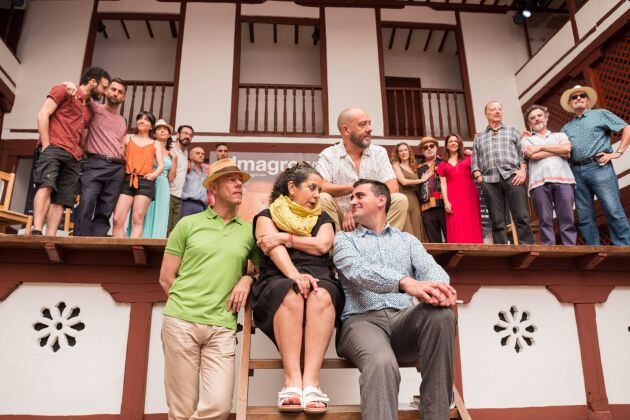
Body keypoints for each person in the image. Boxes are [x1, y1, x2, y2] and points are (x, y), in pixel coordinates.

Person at [333, 179, 456, 420]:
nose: (353, 201)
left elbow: (433, 272)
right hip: (361, 322)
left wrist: (441, 289)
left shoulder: (408, 241)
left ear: (381, 200)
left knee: (442, 314)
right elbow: (358, 271)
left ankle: (436, 414)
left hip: (403, 323)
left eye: (359, 196)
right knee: (381, 363)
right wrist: (405, 282)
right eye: (352, 198)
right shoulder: (344, 240)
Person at [159, 158, 259, 420]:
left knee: (219, 407)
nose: (239, 184)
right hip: (181, 322)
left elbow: (261, 272)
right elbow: (166, 277)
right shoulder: (188, 225)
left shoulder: (250, 232)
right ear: (213, 187)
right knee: (182, 408)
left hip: (222, 327)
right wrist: (186, 309)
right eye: (231, 179)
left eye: (241, 180)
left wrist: (247, 279)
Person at [251, 162, 343, 414]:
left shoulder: (323, 218)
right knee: (290, 291)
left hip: (320, 275)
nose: (317, 195)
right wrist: (295, 275)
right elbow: (274, 250)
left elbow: (322, 246)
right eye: (312, 188)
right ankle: (291, 381)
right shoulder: (266, 216)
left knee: (321, 292)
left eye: (319, 189)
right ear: (292, 187)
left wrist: (286, 237)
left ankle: (312, 381)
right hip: (278, 276)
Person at [31, 66, 110, 236]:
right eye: (104, 87)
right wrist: (46, 145)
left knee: (62, 199)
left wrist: (81, 152)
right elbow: (42, 114)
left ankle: (51, 236)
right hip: (54, 147)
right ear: (93, 82)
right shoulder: (64, 90)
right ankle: (37, 231)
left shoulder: (89, 108)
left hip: (74, 156)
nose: (105, 92)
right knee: (46, 186)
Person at [315, 108, 408, 232]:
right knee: (322, 198)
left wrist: (356, 208)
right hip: (341, 221)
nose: (370, 129)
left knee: (399, 199)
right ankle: (338, 247)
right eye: (363, 124)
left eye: (369, 123)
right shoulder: (328, 155)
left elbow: (392, 187)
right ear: (346, 129)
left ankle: (382, 245)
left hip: (372, 217)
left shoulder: (379, 152)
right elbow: (320, 187)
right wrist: (356, 188)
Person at [560, 85, 630, 245]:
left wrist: (617, 153)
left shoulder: (600, 114)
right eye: (574, 97)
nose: (578, 98)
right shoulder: (566, 128)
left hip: (599, 167)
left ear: (588, 100)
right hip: (576, 171)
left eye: (582, 95)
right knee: (584, 215)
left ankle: (624, 247)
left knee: (613, 209)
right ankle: (594, 249)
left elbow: (627, 128)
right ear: (570, 103)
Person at [471, 101, 535, 244]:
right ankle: (501, 249)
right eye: (493, 109)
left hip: (513, 176)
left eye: (500, 109)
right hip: (488, 179)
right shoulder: (479, 137)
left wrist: (522, 171)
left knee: (521, 215)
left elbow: (521, 154)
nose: (497, 111)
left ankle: (528, 247)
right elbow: (475, 160)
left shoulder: (513, 131)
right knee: (497, 219)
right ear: (486, 114)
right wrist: (479, 177)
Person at [73, 78, 127, 237]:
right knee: (86, 202)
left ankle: (97, 242)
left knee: (106, 209)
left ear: (123, 98)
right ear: (106, 91)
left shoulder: (122, 120)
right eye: (113, 89)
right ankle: (80, 242)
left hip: (117, 168)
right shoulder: (94, 108)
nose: (115, 93)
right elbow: (81, 93)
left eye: (120, 92)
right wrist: (69, 85)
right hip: (95, 163)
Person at [521, 105, 576, 245]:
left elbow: (566, 149)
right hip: (538, 183)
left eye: (539, 116)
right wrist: (558, 151)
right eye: (532, 118)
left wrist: (540, 147)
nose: (536, 119)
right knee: (544, 221)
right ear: (529, 123)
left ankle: (570, 249)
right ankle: (549, 249)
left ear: (546, 118)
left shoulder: (560, 135)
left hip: (564, 180)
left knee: (567, 218)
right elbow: (531, 155)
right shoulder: (526, 140)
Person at [112, 112, 163, 238]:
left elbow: (160, 166)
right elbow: (120, 156)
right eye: (139, 119)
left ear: (151, 126)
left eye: (146, 120)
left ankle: (132, 252)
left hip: (145, 182)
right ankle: (119, 251)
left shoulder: (155, 143)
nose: (141, 121)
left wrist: (154, 174)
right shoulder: (128, 138)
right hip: (127, 179)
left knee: (137, 219)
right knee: (117, 219)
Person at [437, 134, 483, 243]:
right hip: (452, 195)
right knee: (456, 222)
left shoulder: (468, 158)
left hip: (469, 193)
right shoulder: (442, 164)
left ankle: (476, 248)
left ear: (459, 144)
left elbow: (482, 164)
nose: (453, 143)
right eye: (450, 142)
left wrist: (473, 154)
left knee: (471, 220)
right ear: (447, 145)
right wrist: (446, 201)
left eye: (455, 141)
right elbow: (443, 184)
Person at [140, 119, 177, 238]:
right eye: (159, 128)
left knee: (160, 214)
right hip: (148, 181)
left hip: (163, 184)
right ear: (154, 133)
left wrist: (175, 159)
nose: (162, 130)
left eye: (165, 129)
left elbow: (171, 178)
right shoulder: (148, 147)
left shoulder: (172, 153)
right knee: (144, 212)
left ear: (169, 134)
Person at [390, 142, 424, 241]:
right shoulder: (396, 165)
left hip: (415, 201)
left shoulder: (414, 168)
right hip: (403, 199)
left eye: (405, 150)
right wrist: (421, 180)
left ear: (409, 151)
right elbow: (403, 182)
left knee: (417, 230)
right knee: (407, 232)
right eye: (401, 151)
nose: (403, 152)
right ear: (398, 154)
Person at [417, 137, 447, 243]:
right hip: (427, 209)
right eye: (425, 147)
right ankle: (437, 260)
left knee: (451, 238)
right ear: (422, 151)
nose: (429, 149)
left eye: (431, 146)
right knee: (434, 241)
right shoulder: (417, 168)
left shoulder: (444, 162)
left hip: (444, 205)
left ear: (436, 147)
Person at [167, 125, 194, 233]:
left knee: (174, 231)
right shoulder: (169, 148)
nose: (187, 136)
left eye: (190, 135)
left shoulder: (186, 153)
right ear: (178, 135)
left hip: (179, 196)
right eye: (185, 133)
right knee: (165, 227)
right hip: (167, 193)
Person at [181, 147, 208, 217]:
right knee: (186, 227)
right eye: (197, 153)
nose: (201, 155)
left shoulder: (205, 171)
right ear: (190, 156)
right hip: (188, 204)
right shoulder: (186, 168)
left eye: (203, 154)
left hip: (202, 206)